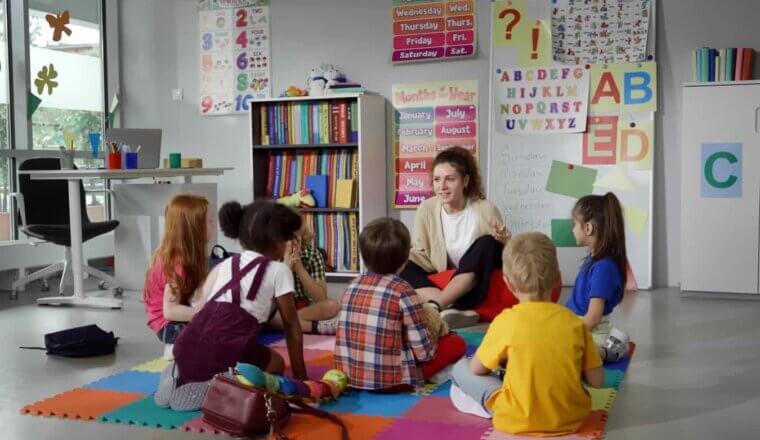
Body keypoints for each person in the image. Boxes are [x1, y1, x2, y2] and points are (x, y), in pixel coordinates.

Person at [450, 232, 605, 436]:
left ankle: (486, 405)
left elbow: (477, 369)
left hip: (515, 418)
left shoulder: (506, 320)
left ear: (508, 283)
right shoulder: (575, 323)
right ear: (558, 278)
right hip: (572, 418)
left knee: (461, 368)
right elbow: (597, 381)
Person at [335, 218, 466, 392]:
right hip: (394, 381)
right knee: (457, 343)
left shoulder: (351, 286)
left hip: (351, 376)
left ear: (364, 257)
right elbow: (424, 353)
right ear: (406, 259)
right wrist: (436, 332)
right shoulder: (404, 291)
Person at [400, 146, 511, 329]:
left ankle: (437, 306)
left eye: (450, 179)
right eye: (437, 180)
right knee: (400, 261)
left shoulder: (485, 209)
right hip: (440, 276)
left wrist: (505, 240)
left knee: (488, 243)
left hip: (474, 283)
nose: (441, 187)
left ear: (465, 181)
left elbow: (504, 254)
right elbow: (421, 253)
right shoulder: (426, 209)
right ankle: (450, 306)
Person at [567, 192, 631, 361]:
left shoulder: (603, 268)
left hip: (591, 331)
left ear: (588, 228)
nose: (572, 229)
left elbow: (593, 318)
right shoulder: (594, 260)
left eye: (574, 224)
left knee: (562, 353)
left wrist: (567, 334)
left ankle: (607, 352)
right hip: (577, 324)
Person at [143, 194, 212, 346]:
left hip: (179, 317)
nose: (213, 226)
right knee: (220, 333)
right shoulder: (177, 265)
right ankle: (177, 354)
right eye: (210, 222)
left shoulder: (187, 256)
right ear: (194, 229)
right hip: (169, 326)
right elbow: (170, 311)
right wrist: (207, 315)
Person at [268, 220, 340, 335]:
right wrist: (285, 267)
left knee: (333, 306)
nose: (290, 244)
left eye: (294, 239)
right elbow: (268, 300)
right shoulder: (270, 255)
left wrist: (299, 267)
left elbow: (321, 298)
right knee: (268, 316)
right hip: (277, 310)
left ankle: (283, 324)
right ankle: (316, 327)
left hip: (304, 309)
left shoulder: (313, 254)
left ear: (302, 238)